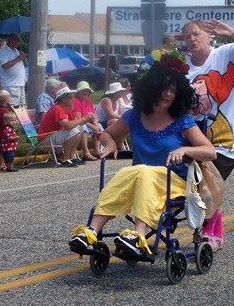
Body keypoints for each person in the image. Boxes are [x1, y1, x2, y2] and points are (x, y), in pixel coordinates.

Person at [68, 55, 217, 257]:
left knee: (143, 172)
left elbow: (210, 152)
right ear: (151, 88)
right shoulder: (135, 115)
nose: (168, 94)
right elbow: (106, 134)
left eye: (173, 90)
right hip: (139, 179)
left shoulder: (182, 120)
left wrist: (185, 150)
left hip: (173, 183)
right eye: (163, 88)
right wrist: (110, 142)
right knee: (129, 172)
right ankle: (91, 232)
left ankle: (138, 235)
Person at [181, 19, 234, 249]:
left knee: (207, 182)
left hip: (229, 139)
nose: (192, 39)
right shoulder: (183, 69)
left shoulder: (227, 53)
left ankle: (210, 230)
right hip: (197, 139)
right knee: (195, 183)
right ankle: (213, 226)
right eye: (187, 36)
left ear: (209, 36)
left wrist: (231, 32)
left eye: (196, 34)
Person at [38, 87, 95, 167]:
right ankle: (66, 159)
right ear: (63, 100)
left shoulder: (66, 108)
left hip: (53, 136)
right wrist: (84, 118)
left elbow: (75, 122)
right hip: (46, 139)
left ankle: (72, 156)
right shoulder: (57, 108)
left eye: (73, 97)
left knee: (80, 128)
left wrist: (86, 119)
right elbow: (67, 125)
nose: (73, 99)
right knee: (74, 131)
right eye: (70, 97)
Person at [73, 80, 102, 160]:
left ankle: (97, 151)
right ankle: (86, 153)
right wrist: (92, 127)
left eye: (87, 90)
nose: (85, 92)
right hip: (80, 123)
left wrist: (95, 125)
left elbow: (94, 116)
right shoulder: (75, 101)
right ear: (78, 92)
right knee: (83, 128)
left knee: (99, 126)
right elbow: (79, 119)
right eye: (83, 90)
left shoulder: (88, 101)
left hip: (89, 123)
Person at [0, 34, 27, 107]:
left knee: (21, 106)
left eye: (18, 40)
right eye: (17, 40)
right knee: (12, 106)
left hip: (20, 83)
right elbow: (5, 65)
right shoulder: (3, 52)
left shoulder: (16, 51)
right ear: (10, 40)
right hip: (10, 84)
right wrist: (18, 58)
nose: (18, 42)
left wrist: (23, 57)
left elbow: (23, 64)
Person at [0, 89, 12, 171]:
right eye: (9, 98)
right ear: (6, 100)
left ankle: (1, 164)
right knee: (4, 150)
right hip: (3, 133)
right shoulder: (5, 110)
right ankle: (3, 164)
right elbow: (7, 121)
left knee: (0, 150)